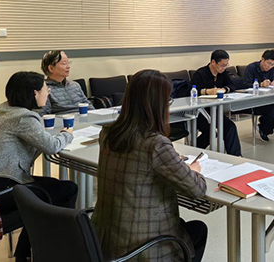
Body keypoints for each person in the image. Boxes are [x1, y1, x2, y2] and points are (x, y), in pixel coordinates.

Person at [92, 70, 207, 262]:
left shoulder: (108, 132)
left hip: (104, 239)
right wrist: (192, 170)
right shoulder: (155, 144)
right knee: (198, 230)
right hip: (140, 247)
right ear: (158, 105)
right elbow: (197, 190)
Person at [0, 71, 76, 262]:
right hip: (5, 188)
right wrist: (67, 134)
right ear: (34, 93)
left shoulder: (2, 109)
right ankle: (56, 245)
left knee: (54, 190)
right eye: (45, 88)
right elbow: (52, 146)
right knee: (67, 190)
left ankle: (26, 252)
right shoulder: (24, 117)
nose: (48, 92)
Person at [191, 50, 242, 156]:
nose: (224, 68)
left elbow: (232, 85)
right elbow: (191, 91)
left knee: (230, 127)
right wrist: (206, 91)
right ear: (213, 62)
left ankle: (235, 156)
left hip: (215, 110)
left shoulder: (223, 74)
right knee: (211, 132)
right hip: (200, 112)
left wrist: (225, 89)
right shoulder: (200, 73)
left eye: (226, 65)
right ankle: (193, 152)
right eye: (222, 65)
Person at [244, 50, 274, 142]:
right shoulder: (251, 68)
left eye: (273, 64)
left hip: (268, 99)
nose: (269, 67)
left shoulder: (271, 69)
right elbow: (245, 85)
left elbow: (273, 80)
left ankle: (264, 128)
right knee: (272, 111)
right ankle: (265, 128)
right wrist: (260, 84)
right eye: (268, 63)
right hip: (254, 101)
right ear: (262, 59)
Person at [39, 50, 94, 115]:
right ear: (51, 68)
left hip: (83, 118)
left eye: (68, 62)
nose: (68, 66)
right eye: (64, 63)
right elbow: (43, 115)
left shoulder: (75, 85)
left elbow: (88, 105)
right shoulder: (44, 89)